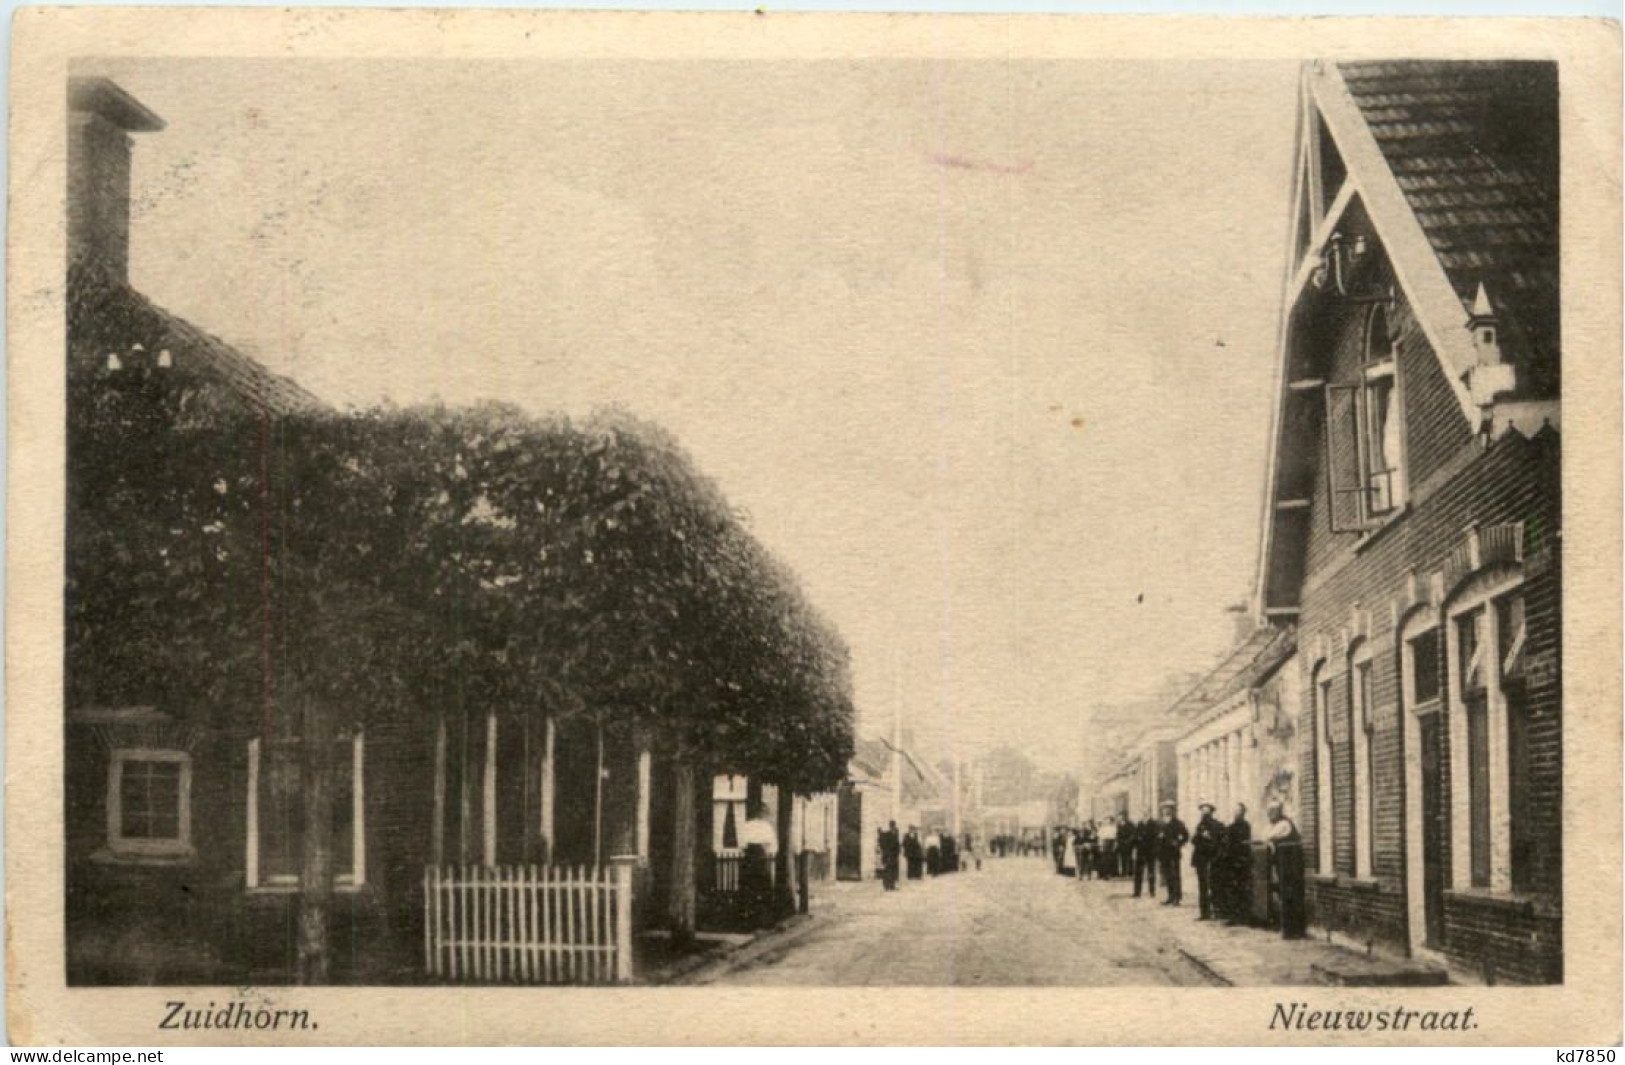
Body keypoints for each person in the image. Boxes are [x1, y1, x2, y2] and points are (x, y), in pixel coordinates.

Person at [1266, 801, 1306, 939]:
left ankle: (1291, 930)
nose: (1269, 815)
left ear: (1279, 812)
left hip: (1290, 865)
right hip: (1284, 864)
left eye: (1272, 812)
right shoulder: (1279, 824)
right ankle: (1290, 929)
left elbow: (1269, 836)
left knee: (1289, 895)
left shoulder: (1284, 824)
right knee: (1286, 895)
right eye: (1269, 812)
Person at [1191, 802, 1224, 920]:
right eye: (1202, 811)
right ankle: (1204, 912)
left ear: (1211, 812)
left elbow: (1219, 843)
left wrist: (1208, 838)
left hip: (1211, 859)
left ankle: (1216, 910)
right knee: (1202, 886)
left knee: (1214, 885)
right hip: (1200, 860)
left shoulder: (1216, 826)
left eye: (1206, 811)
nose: (1204, 813)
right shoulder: (1200, 826)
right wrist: (1200, 836)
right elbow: (1194, 840)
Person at [1222, 803, 1252, 925]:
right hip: (1231, 860)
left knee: (1242, 888)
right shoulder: (1231, 827)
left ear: (1243, 813)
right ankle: (1233, 916)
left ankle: (1242, 916)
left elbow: (1243, 843)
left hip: (1241, 860)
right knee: (1232, 888)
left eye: (1239, 811)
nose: (1237, 813)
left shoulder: (1245, 826)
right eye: (1235, 811)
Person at [1158, 799, 1190, 906]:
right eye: (1164, 809)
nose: (1166, 811)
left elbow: (1185, 835)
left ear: (1172, 811)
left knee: (1175, 875)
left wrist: (1178, 843)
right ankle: (1170, 896)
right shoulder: (1161, 823)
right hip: (1164, 853)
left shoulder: (1178, 823)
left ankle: (1177, 897)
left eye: (1168, 809)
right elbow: (1157, 837)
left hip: (1174, 852)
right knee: (1167, 875)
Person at [1133, 813, 1159, 898]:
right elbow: (1135, 836)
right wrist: (1137, 840)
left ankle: (1152, 891)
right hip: (1140, 851)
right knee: (1138, 872)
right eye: (1143, 815)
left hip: (1150, 852)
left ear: (1149, 815)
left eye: (1146, 814)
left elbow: (1155, 837)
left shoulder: (1153, 824)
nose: (1144, 816)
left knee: (1151, 872)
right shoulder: (1139, 824)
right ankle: (1137, 892)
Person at [879, 820, 902, 891]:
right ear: (890, 826)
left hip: (894, 856)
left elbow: (897, 845)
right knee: (887, 870)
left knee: (893, 871)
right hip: (888, 855)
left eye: (894, 826)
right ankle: (886, 886)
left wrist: (898, 852)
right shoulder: (887, 834)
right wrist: (886, 854)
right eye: (892, 826)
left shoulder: (895, 834)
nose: (893, 827)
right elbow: (883, 845)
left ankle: (892, 885)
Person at [1097, 815, 1117, 879]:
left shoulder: (1114, 828)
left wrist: (1114, 845)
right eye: (1106, 820)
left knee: (1110, 858)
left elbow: (1115, 836)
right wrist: (1100, 845)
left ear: (1111, 821)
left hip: (1111, 842)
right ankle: (1103, 874)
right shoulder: (1102, 828)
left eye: (1109, 820)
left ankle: (1110, 873)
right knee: (1103, 858)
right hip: (1104, 842)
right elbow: (1100, 837)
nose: (1107, 822)